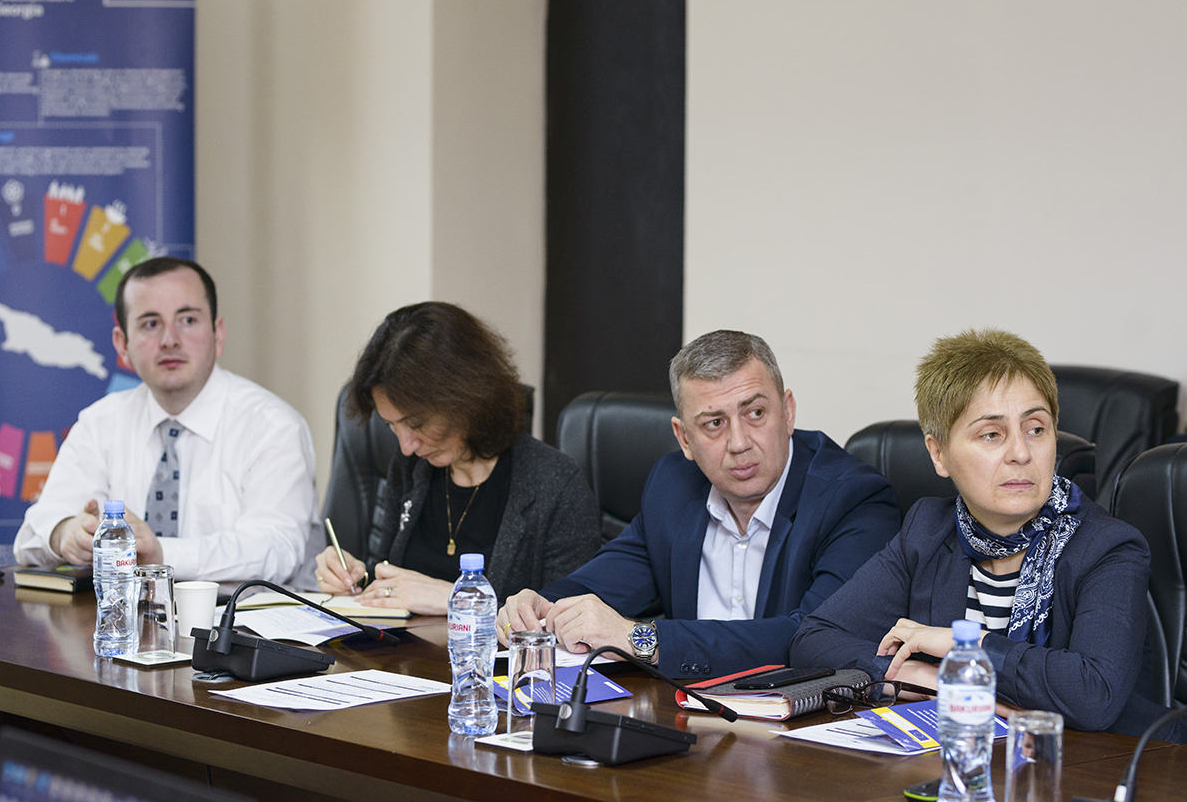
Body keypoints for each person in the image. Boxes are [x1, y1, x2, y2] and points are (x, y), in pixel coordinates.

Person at [790, 328, 1173, 737]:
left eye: (1036, 429)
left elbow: (1092, 695)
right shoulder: (928, 531)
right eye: (991, 434)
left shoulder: (1108, 547)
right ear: (939, 454)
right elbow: (814, 638)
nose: (1021, 453)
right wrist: (927, 677)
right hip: (968, 756)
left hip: (1103, 764)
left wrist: (966, 648)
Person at [497, 330, 902, 678]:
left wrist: (642, 640)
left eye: (756, 413)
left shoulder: (854, 500)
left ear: (788, 411)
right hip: (683, 718)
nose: (739, 443)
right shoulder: (673, 486)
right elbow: (601, 585)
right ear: (684, 438)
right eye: (714, 423)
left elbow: (813, 639)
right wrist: (539, 605)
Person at [14, 257, 317, 583]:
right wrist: (65, 533)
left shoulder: (273, 426)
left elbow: (278, 549)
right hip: (124, 614)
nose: (170, 340)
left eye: (187, 320)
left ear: (218, 334)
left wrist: (161, 554)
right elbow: (30, 537)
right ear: (122, 345)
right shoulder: (100, 423)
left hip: (243, 614)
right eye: (150, 324)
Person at [314, 302, 600, 615]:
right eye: (391, 427)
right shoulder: (411, 468)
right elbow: (396, 576)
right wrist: (357, 578)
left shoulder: (556, 486)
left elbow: (564, 622)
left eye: (416, 424)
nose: (406, 446)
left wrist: (460, 600)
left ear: (467, 399)